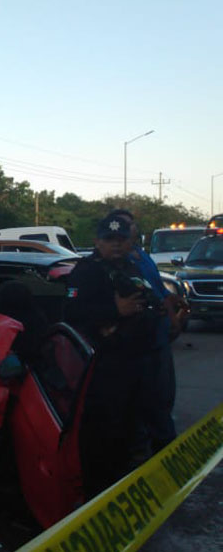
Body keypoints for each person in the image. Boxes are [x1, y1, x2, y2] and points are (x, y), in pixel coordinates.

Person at [65, 213, 159, 497]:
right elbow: (71, 313)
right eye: (109, 240)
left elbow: (148, 301)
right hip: (103, 367)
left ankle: (123, 488)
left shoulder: (131, 267)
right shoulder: (85, 271)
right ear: (97, 241)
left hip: (136, 362)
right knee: (103, 435)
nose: (115, 245)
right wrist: (114, 311)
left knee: (131, 431)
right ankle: (98, 494)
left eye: (121, 240)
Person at [108, 208, 185, 454]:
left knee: (163, 399)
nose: (128, 230)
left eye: (129, 226)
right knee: (150, 407)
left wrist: (170, 301)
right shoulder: (121, 264)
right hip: (142, 343)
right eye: (121, 227)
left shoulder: (141, 256)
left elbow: (154, 290)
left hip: (159, 338)